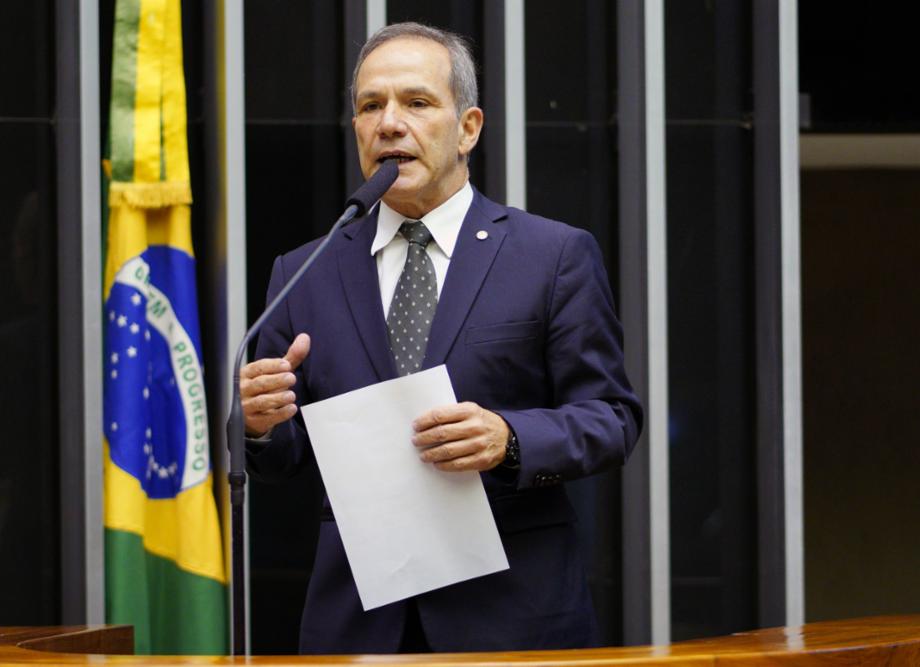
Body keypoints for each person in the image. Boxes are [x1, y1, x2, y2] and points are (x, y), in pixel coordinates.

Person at [241, 22, 642, 654]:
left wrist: (508, 438)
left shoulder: (553, 255)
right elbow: (284, 458)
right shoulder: (304, 271)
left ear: (469, 128)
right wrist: (262, 425)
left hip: (511, 621)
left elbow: (612, 419)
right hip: (358, 626)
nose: (389, 124)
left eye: (417, 103)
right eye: (370, 106)